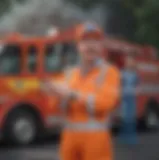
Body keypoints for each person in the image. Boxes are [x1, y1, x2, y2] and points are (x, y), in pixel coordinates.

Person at [44, 22, 120, 160]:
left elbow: (106, 103)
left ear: (101, 46)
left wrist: (71, 94)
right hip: (69, 142)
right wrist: (53, 93)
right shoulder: (68, 74)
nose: (90, 46)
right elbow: (54, 106)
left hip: (96, 143)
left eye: (95, 41)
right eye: (85, 41)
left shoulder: (109, 72)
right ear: (78, 46)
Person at [119, 55, 139, 145]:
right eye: (128, 61)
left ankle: (131, 137)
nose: (129, 63)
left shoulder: (135, 74)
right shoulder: (122, 73)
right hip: (124, 97)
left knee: (131, 118)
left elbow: (137, 85)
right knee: (124, 117)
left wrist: (136, 91)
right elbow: (119, 84)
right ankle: (123, 136)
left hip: (131, 97)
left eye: (131, 61)